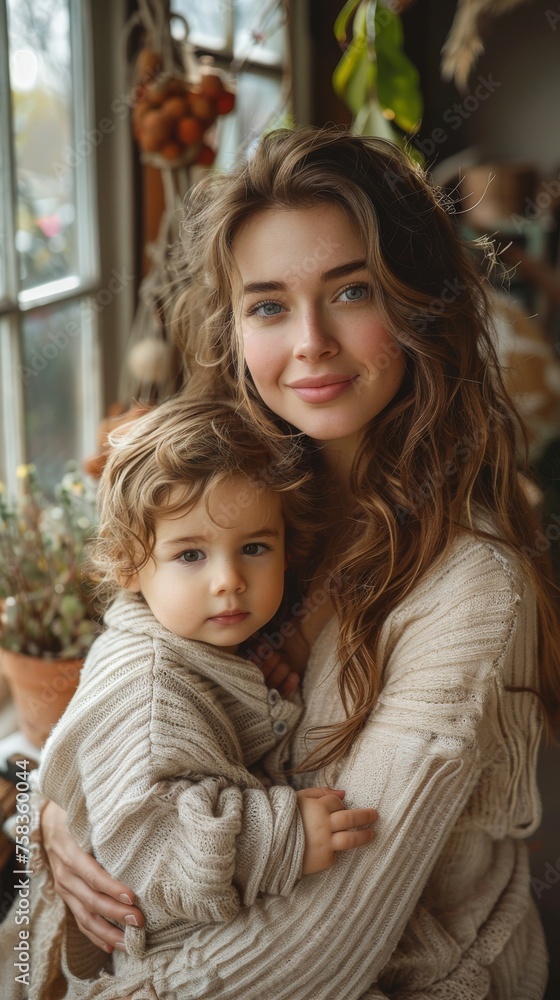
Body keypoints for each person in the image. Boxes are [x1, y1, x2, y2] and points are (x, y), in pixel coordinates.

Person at [40, 127, 560, 999]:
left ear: (418, 306)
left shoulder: (471, 590)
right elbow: (115, 692)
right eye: (270, 304)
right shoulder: (223, 508)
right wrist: (56, 818)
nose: (310, 341)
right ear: (236, 325)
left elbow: (323, 942)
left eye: (351, 291)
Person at [0, 396, 377, 1000]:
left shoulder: (179, 638)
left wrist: (248, 693)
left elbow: (193, 743)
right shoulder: (148, 691)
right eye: (191, 555)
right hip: (143, 952)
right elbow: (149, 854)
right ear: (129, 564)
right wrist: (279, 838)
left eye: (255, 547)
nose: (228, 579)